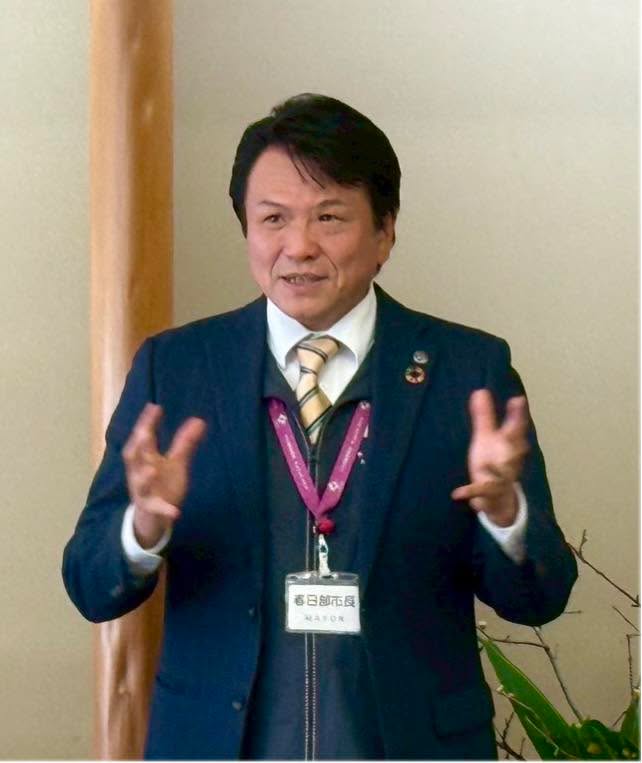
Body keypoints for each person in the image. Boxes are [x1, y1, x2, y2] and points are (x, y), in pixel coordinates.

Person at [63, 94, 577, 760]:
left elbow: (541, 597)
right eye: (272, 218)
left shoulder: (467, 372)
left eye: (329, 217)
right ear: (247, 230)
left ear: (385, 231)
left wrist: (507, 516)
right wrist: (142, 530)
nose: (298, 245)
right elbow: (89, 584)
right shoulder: (179, 369)